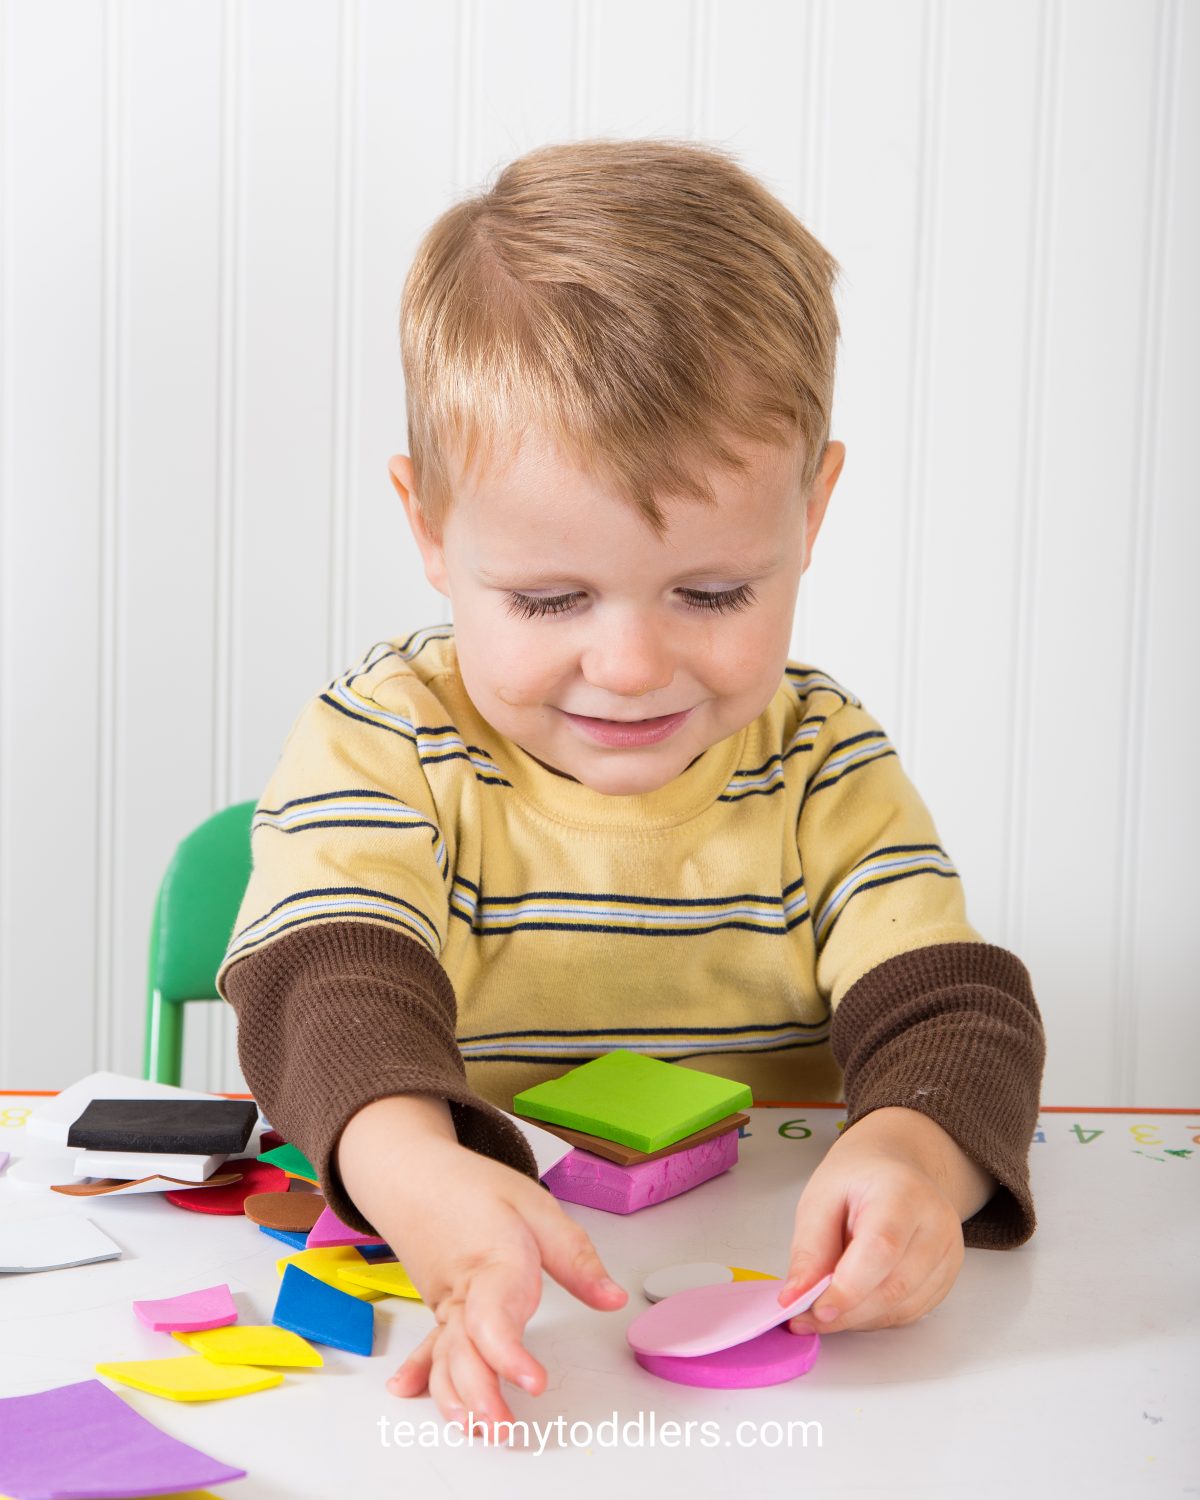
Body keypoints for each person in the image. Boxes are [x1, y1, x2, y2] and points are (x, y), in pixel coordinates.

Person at [216, 136, 1046, 1433]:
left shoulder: (818, 761)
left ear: (810, 512)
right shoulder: (385, 739)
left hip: (789, 1354)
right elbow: (330, 979)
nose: (631, 664)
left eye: (713, 592)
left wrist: (916, 1158)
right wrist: (416, 1173)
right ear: (430, 528)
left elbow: (952, 1008)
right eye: (549, 598)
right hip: (491, 1311)